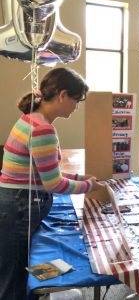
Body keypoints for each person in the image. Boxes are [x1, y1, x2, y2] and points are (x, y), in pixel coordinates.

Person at [0, 67, 105, 300]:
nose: (76, 107)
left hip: (15, 203)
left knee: (14, 271)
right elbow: (54, 184)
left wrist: (79, 178)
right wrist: (90, 187)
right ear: (62, 95)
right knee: (14, 277)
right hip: (19, 206)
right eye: (76, 100)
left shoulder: (31, 119)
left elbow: (46, 171)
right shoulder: (43, 129)